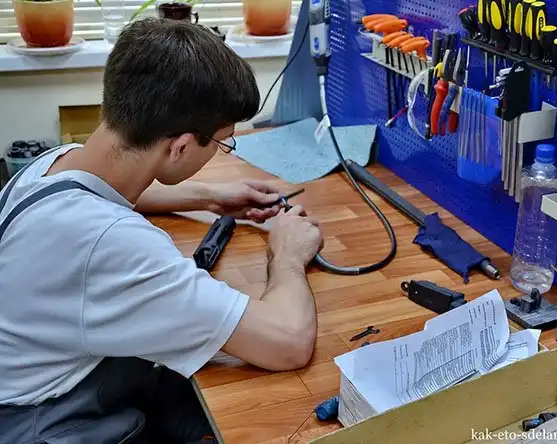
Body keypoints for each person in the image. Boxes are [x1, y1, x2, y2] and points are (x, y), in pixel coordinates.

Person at [0, 18, 322, 444]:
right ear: (181, 146)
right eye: (223, 142)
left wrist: (209, 196)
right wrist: (287, 254)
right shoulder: (115, 245)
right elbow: (289, 341)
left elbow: (109, 193)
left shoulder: (54, 163)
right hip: (42, 418)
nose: (221, 152)